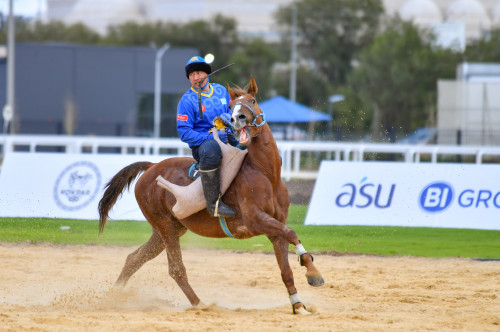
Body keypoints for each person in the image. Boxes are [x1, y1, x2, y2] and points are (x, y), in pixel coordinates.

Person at [176, 56, 238, 218]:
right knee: (212, 148)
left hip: (228, 136)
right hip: (204, 147)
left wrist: (229, 116)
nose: (196, 77)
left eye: (199, 72)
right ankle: (214, 204)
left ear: (207, 73)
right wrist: (210, 137)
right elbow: (184, 132)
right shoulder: (186, 101)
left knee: (248, 145)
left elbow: (233, 112)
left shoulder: (221, 90)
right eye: (192, 75)